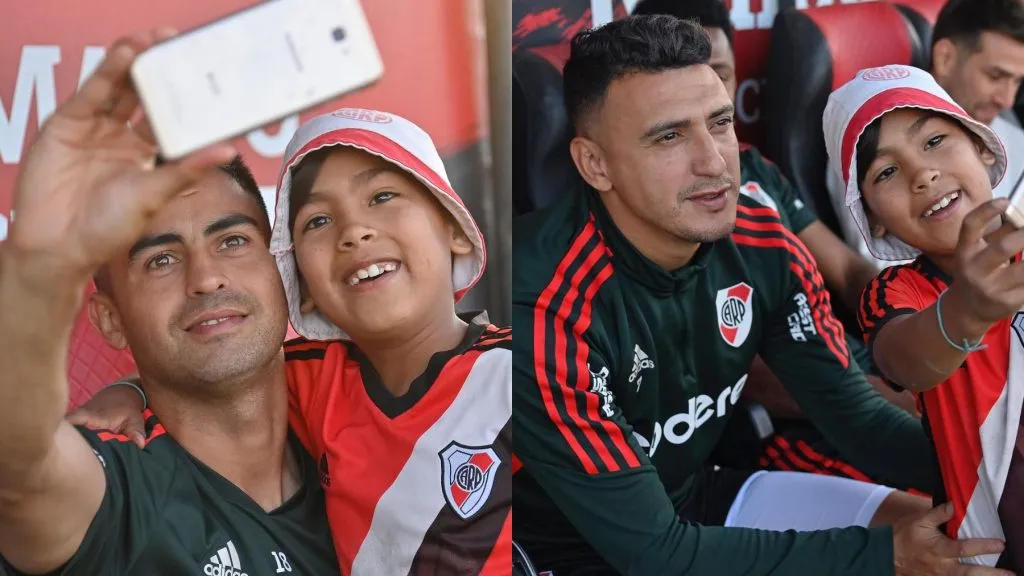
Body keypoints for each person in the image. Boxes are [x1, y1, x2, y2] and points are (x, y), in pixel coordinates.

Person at [513, 15, 1010, 576]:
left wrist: (1001, 468)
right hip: (563, 552)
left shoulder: (761, 239)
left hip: (694, 504)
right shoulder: (542, 307)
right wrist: (884, 557)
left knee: (965, 546)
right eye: (670, 136)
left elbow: (856, 417)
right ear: (594, 164)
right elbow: (652, 553)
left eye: (719, 123)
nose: (715, 161)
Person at [72, 108, 512, 574]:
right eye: (317, 221)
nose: (355, 232)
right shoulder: (314, 379)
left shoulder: (514, 375)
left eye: (383, 195)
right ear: (299, 278)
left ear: (456, 229)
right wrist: (130, 391)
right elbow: (207, 364)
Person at [0, 31, 339, 575]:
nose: (205, 279)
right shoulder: (115, 493)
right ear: (110, 320)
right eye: (160, 259)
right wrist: (41, 265)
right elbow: (16, 469)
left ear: (282, 267)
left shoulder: (357, 433)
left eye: (232, 240)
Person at [631, 0, 920, 481]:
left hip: (859, 368)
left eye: (720, 75)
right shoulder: (655, 201)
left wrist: (914, 329)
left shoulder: (757, 169)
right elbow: (737, 373)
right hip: (808, 418)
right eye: (689, 80)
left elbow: (849, 273)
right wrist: (902, 400)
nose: (710, 96)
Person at [824, 63, 1024, 570]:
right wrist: (966, 313)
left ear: (982, 146)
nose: (923, 174)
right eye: (886, 172)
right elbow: (906, 360)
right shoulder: (900, 292)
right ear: (870, 215)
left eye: (934, 140)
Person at [830, 0, 1024, 268]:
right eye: (995, 76)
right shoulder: (856, 148)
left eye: (1017, 82)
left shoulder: (1014, 136)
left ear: (983, 149)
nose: (1008, 100)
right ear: (945, 58)